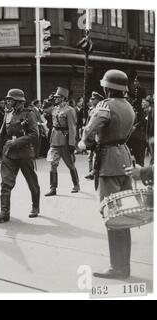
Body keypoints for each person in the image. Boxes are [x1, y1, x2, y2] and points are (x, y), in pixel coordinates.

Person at [77, 69, 136, 279]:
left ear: (108, 88)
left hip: (109, 162)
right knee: (123, 215)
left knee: (111, 214)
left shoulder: (105, 106)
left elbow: (90, 130)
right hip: (124, 159)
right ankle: (125, 266)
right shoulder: (129, 106)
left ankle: (116, 267)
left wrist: (85, 141)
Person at [0, 89, 40, 223]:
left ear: (18, 101)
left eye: (10, 99)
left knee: (32, 182)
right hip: (9, 153)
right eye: (7, 99)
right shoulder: (7, 114)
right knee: (5, 183)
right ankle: (4, 212)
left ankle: (35, 206)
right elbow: (2, 134)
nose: (7, 101)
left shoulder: (29, 114)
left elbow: (34, 134)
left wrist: (16, 141)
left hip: (25, 153)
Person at [44, 87, 80, 196]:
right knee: (53, 164)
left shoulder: (70, 110)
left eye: (57, 97)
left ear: (63, 98)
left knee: (70, 164)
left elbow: (72, 128)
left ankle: (76, 184)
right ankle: (53, 188)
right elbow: (44, 109)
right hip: (55, 139)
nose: (55, 99)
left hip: (65, 140)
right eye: (55, 97)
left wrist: (71, 144)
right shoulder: (54, 109)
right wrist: (48, 101)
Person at [127, 76, 148, 166]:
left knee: (139, 154)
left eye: (136, 81)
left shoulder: (141, 110)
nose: (135, 83)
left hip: (139, 135)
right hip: (131, 135)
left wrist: (136, 126)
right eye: (134, 81)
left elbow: (140, 99)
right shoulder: (131, 108)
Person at [85, 91, 104, 180]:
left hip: (97, 135)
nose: (91, 100)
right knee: (90, 155)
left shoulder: (100, 110)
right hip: (90, 135)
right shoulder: (91, 110)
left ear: (98, 100)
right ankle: (91, 171)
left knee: (97, 154)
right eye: (91, 99)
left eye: (93, 99)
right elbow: (88, 122)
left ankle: (95, 172)